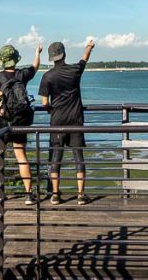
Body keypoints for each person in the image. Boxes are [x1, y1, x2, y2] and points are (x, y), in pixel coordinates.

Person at [39, 38, 95, 205]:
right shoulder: (74, 70)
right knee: (78, 157)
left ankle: (55, 195)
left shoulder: (47, 76)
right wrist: (89, 47)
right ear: (64, 54)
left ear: (51, 58)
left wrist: (51, 109)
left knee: (56, 157)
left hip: (57, 121)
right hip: (76, 120)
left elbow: (44, 103)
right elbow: (84, 58)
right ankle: (80, 195)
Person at [0, 43, 42, 205]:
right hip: (19, 121)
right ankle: (28, 195)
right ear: (16, 59)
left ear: (2, 61)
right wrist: (37, 52)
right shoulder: (22, 75)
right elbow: (35, 66)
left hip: (1, 122)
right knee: (21, 156)